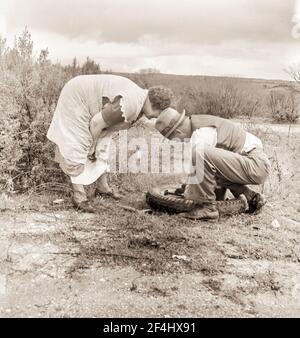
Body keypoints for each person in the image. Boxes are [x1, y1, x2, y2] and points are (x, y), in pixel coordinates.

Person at [47, 74, 174, 212]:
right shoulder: (131, 103)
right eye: (158, 112)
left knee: (104, 144)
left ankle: (103, 188)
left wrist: (98, 145)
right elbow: (95, 123)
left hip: (86, 98)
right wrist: (92, 145)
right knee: (79, 143)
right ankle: (79, 196)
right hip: (76, 96)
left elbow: (107, 127)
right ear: (154, 105)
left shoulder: (141, 100)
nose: (156, 116)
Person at [155, 108, 270, 220]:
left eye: (175, 139)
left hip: (255, 164)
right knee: (208, 165)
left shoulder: (200, 133)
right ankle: (250, 197)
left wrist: (189, 193)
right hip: (252, 162)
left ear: (178, 132)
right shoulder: (200, 124)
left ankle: (207, 208)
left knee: (200, 153)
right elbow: (208, 170)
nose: (178, 142)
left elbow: (197, 170)